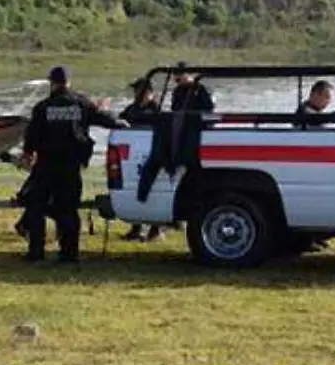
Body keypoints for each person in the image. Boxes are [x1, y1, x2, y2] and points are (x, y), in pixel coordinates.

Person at [19, 66, 120, 263]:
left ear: (52, 83)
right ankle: (69, 253)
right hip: (71, 166)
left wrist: (28, 153)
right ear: (69, 82)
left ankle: (36, 252)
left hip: (47, 165)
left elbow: (32, 136)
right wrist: (121, 122)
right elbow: (104, 119)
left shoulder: (43, 107)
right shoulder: (81, 103)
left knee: (36, 206)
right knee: (68, 209)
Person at [136, 67, 214, 203]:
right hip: (179, 128)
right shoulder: (178, 91)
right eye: (175, 77)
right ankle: (142, 197)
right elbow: (175, 109)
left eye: (179, 76)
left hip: (192, 129)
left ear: (188, 75)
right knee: (156, 159)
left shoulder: (200, 90)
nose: (177, 80)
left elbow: (208, 109)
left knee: (191, 169)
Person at [118, 78, 165, 242]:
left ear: (149, 93)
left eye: (140, 91)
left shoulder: (156, 109)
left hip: (153, 153)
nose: (136, 94)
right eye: (136, 91)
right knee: (135, 190)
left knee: (155, 189)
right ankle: (136, 228)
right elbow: (120, 120)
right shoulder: (132, 108)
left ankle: (156, 229)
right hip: (134, 154)